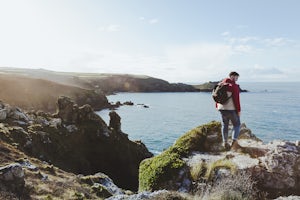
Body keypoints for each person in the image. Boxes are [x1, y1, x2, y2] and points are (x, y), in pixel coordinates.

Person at [216, 71, 241, 151]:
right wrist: (239, 110)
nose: (236, 79)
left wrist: (217, 106)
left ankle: (225, 142)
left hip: (221, 109)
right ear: (232, 76)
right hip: (231, 109)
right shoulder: (234, 86)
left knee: (224, 125)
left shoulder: (220, 84)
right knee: (237, 124)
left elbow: (216, 96)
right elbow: (236, 100)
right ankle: (234, 142)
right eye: (236, 77)